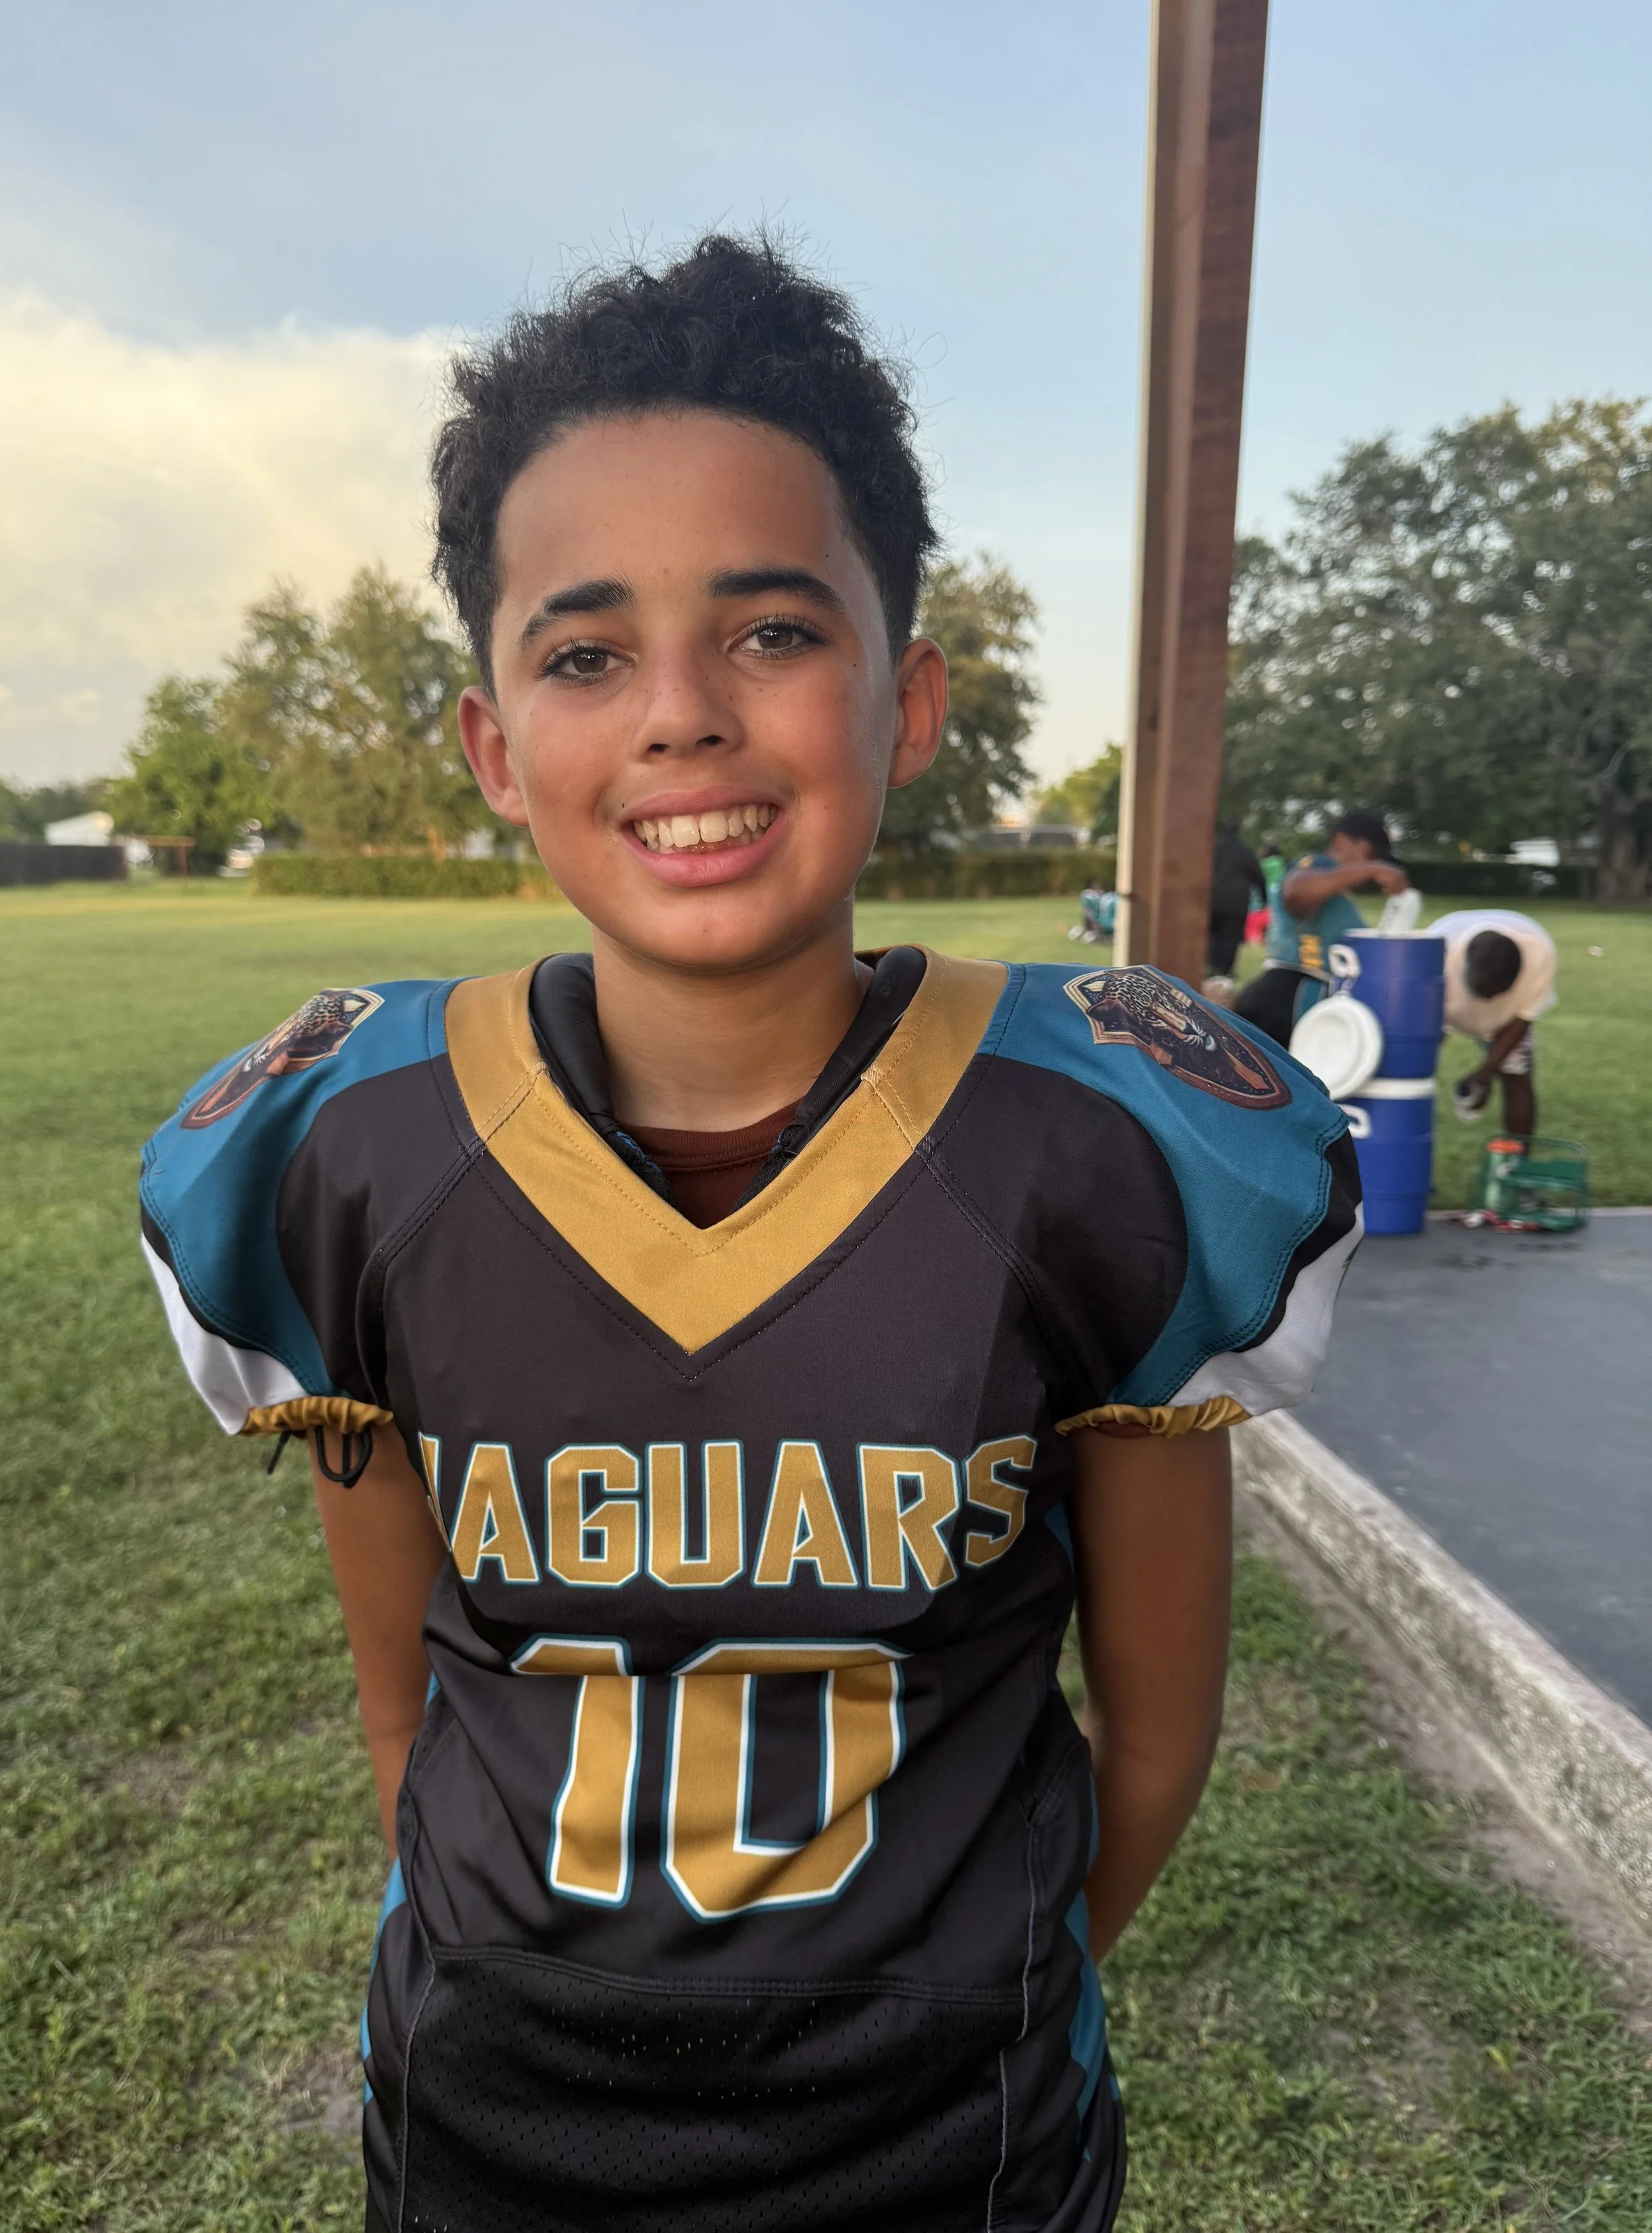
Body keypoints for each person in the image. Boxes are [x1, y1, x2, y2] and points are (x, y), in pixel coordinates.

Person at [138, 236, 1360, 2233]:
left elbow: (1150, 1740)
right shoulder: (351, 1150)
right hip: (494, 2125)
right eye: (586, 650)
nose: (684, 716)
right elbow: (406, 1715)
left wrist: (956, 1997)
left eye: (774, 630)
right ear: (488, 743)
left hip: (941, 2143)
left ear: (908, 699)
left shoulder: (1090, 1140)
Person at [1234, 810, 1409, 1047]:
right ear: (1341, 840)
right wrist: (1372, 869)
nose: (1374, 862)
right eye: (1370, 854)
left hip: (1301, 996)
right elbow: (1297, 893)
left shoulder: (1336, 892)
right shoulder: (1318, 864)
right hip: (1293, 994)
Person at [1426, 907, 1557, 1138]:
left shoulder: (1540, 952)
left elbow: (1524, 1017)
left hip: (1507, 1021)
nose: (1490, 999)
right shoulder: (1437, 947)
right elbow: (1421, 1012)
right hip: (1440, 1012)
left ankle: (1518, 1163)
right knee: (1412, 1074)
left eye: (1500, 992)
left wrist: (1486, 1072)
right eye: (1484, 991)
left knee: (1518, 1076)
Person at [1208, 817, 1268, 981]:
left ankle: (1211, 965)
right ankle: (1225, 970)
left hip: (1213, 899)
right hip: (1237, 902)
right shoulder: (1245, 851)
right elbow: (1259, 877)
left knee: (1213, 935)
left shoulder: (1214, 849)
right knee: (1231, 938)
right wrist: (1264, 899)